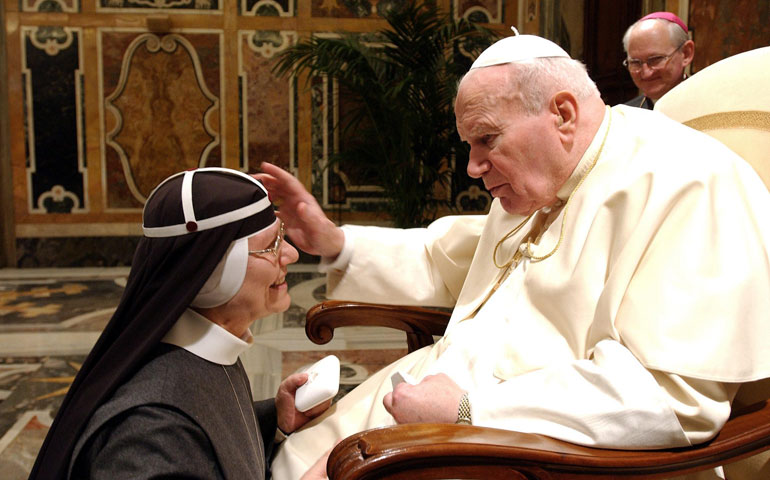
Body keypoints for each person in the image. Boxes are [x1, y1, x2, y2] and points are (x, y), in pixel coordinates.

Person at [261, 34, 770, 480]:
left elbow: (671, 397)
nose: (472, 167)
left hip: (545, 450)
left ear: (563, 114)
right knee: (289, 454)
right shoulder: (544, 178)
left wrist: (467, 409)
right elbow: (456, 258)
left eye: (486, 140)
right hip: (437, 397)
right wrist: (337, 244)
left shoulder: (687, 182)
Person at [29, 168, 332, 479]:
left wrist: (274, 420)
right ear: (212, 271)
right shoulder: (149, 434)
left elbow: (202, 440)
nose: (292, 254)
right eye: (271, 245)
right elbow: (180, 440)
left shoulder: (206, 352)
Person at [622, 11, 695, 109]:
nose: (646, 73)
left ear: (686, 54)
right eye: (635, 62)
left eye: (655, 59)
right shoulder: (623, 117)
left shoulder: (713, 108)